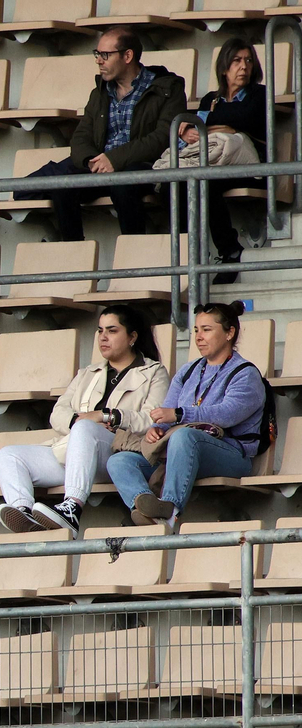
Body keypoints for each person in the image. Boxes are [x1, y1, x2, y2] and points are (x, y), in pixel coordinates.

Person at [0, 306, 170, 537]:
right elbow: (58, 413)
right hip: (76, 453)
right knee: (9, 455)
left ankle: (72, 508)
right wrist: (81, 421)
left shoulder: (154, 372)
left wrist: (105, 416)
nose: (103, 337)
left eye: (112, 330)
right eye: (100, 331)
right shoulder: (88, 372)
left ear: (132, 337)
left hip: (118, 454)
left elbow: (151, 418)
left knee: (86, 427)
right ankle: (23, 511)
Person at [107, 302, 267, 529]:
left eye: (207, 329)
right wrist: (157, 429)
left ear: (230, 332)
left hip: (231, 453)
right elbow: (167, 412)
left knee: (184, 437)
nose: (199, 337)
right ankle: (146, 509)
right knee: (119, 460)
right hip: (180, 451)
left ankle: (170, 510)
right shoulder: (188, 370)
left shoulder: (246, 374)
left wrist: (179, 414)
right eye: (196, 330)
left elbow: (226, 414)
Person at [23, 26, 187, 242]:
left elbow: (163, 137)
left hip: (146, 164)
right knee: (63, 186)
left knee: (123, 186)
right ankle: (77, 261)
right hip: (101, 166)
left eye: (105, 55)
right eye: (97, 54)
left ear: (128, 56)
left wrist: (115, 159)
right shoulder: (100, 92)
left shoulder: (167, 88)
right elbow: (81, 136)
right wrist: (91, 162)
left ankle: (134, 255)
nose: (99, 60)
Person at [181, 37, 267, 283]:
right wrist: (190, 131)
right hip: (216, 161)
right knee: (183, 182)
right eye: (237, 61)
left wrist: (211, 124)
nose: (244, 66)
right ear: (223, 67)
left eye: (249, 60)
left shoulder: (259, 94)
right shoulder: (210, 99)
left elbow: (246, 118)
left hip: (250, 165)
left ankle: (230, 249)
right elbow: (198, 127)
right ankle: (191, 254)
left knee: (207, 182)